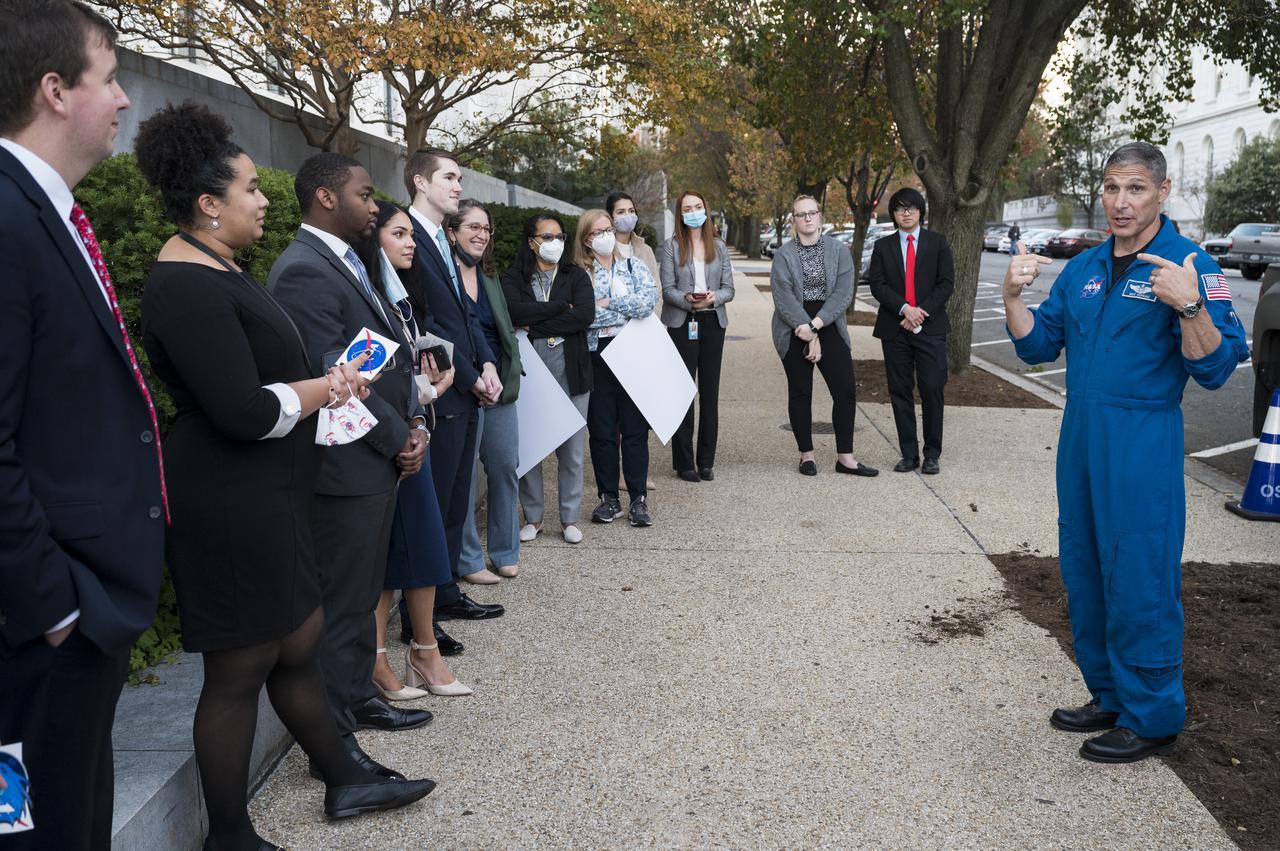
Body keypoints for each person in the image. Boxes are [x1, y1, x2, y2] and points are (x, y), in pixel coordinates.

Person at [137, 105, 435, 847]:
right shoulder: (186, 282)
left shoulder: (218, 266)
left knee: (298, 641)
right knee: (238, 671)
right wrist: (325, 388)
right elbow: (240, 407)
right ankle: (229, 834)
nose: (265, 197)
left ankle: (346, 776)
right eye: (248, 188)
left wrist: (323, 387)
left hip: (268, 489)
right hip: (231, 495)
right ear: (208, 203)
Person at [1004, 142, 1249, 763]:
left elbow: (1219, 368)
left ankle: (1154, 715)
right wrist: (1012, 299)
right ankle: (1110, 694)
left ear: (1162, 192)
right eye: (1112, 189)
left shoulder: (1190, 265)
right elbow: (1038, 349)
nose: (1120, 202)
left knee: (1139, 574)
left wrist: (1190, 304)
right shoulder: (1085, 267)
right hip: (1081, 436)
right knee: (1084, 568)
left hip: (1142, 441)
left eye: (1135, 189)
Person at [0, 5, 164, 846]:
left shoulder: (51, 211)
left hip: (81, 614)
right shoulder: (7, 218)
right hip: (42, 628)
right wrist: (55, 607)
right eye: (112, 80)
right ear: (56, 90)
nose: (126, 102)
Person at [268, 153, 434, 763]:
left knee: (361, 593)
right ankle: (334, 732)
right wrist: (397, 438)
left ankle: (357, 695)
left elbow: (383, 355)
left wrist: (413, 419)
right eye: (366, 194)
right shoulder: (303, 271)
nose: (375, 205)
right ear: (326, 197)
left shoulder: (347, 262)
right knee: (341, 601)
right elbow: (334, 371)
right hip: (346, 464)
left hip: (378, 453)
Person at [354, 200, 471, 699]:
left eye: (411, 234)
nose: (409, 243)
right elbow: (363, 377)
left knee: (422, 546)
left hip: (412, 432)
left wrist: (423, 412)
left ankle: (424, 650)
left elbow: (404, 379)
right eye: (398, 233)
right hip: (385, 442)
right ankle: (382, 659)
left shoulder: (401, 296)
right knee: (393, 557)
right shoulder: (370, 292)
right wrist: (410, 423)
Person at [400, 148, 505, 643]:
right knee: (435, 502)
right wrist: (467, 376)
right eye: (449, 177)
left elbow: (465, 314)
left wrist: (486, 363)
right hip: (441, 391)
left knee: (456, 498)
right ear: (420, 181)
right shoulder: (408, 237)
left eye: (459, 178)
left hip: (465, 387)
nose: (458, 186)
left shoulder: (441, 239)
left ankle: (444, 593)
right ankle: (419, 621)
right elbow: (428, 324)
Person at [503, 214, 596, 545]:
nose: (554, 242)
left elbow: (584, 315)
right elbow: (512, 312)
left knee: (571, 451)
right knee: (532, 447)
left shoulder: (576, 275)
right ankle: (534, 517)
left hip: (571, 373)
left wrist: (537, 323)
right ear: (531, 241)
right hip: (530, 375)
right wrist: (559, 308)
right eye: (547, 236)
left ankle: (570, 518)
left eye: (559, 236)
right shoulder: (515, 276)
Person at [771, 195, 878, 478]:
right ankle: (807, 455)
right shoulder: (783, 255)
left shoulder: (839, 251)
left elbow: (843, 293)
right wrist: (806, 331)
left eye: (812, 213)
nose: (807, 218)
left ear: (819, 216)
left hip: (827, 321)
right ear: (793, 220)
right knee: (800, 391)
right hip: (792, 324)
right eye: (800, 214)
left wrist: (815, 327)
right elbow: (783, 297)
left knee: (844, 390)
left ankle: (846, 457)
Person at [451, 200, 523, 581]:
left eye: (486, 229)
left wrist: (497, 375)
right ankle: (468, 560)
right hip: (461, 386)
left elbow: (502, 329)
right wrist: (473, 377)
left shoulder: (490, 274)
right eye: (473, 227)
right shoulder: (442, 274)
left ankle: (505, 551)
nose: (482, 235)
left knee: (504, 467)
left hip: (499, 386)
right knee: (463, 478)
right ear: (452, 231)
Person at [580, 208, 660, 526]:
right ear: (586, 239)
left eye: (609, 229)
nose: (606, 236)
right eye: (598, 232)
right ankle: (609, 498)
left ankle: (638, 499)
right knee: (601, 430)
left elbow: (647, 303)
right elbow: (584, 316)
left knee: (635, 430)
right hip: (596, 355)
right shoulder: (579, 274)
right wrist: (619, 309)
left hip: (633, 353)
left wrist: (608, 303)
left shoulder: (632, 265)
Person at [867, 187, 954, 475]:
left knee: (932, 389)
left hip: (930, 328)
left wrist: (919, 313)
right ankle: (908, 454)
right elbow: (878, 285)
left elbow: (946, 283)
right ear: (893, 214)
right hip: (895, 328)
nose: (906, 212)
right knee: (900, 391)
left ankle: (932, 454)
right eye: (901, 208)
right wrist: (905, 309)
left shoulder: (938, 243)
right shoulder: (883, 247)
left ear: (920, 212)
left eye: (912, 208)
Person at [659, 190, 735, 482]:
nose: (693, 212)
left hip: (713, 322)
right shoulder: (671, 247)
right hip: (682, 322)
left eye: (698, 207)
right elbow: (667, 290)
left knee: (710, 393)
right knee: (683, 394)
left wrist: (713, 298)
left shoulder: (719, 246)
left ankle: (706, 461)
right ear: (680, 214)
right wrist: (688, 299)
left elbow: (730, 288)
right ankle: (684, 462)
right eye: (687, 208)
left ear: (706, 209)